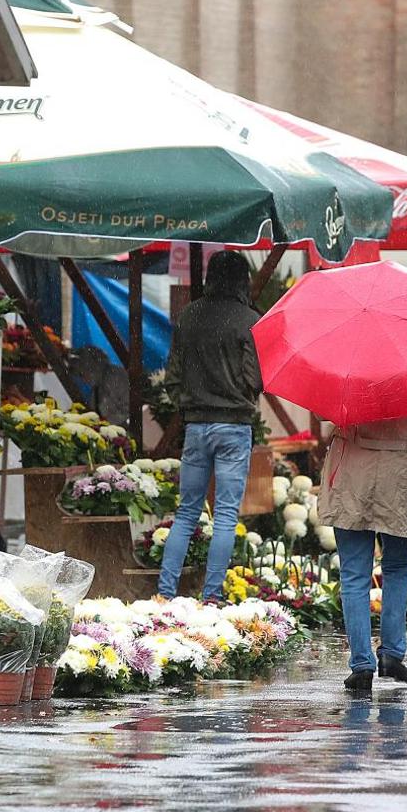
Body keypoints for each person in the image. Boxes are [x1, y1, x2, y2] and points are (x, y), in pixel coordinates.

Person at [158, 250, 262, 602]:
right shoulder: (249, 320)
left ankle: (165, 594)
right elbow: (256, 378)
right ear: (242, 279)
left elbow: (172, 378)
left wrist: (191, 404)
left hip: (196, 427)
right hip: (234, 427)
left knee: (186, 513)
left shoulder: (188, 316)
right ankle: (212, 596)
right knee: (225, 515)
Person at [322, 408, 407, 693]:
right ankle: (391, 654)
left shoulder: (348, 368)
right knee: (398, 568)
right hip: (402, 476)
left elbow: (323, 413)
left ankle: (362, 664)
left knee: (354, 574)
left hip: (354, 472)